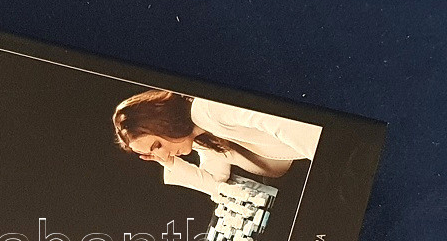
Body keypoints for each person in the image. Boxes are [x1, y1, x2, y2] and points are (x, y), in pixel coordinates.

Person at [112, 90, 322, 197]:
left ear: (161, 121)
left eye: (157, 146)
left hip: (316, 145)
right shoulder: (199, 135)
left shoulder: (207, 109)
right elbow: (217, 184)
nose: (163, 155)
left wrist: (326, 157)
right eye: (153, 155)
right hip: (303, 161)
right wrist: (169, 163)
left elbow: (281, 122)